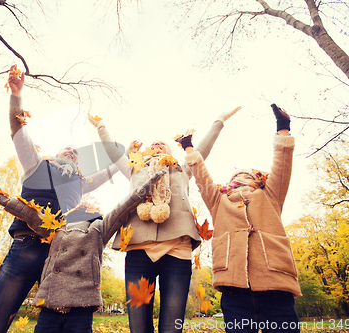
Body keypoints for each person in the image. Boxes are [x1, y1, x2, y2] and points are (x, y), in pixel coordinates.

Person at [0, 65, 119, 333]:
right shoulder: (35, 166)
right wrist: (16, 96)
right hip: (27, 245)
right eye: (67, 149)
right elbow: (18, 131)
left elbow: (110, 171)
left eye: (76, 152)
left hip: (62, 254)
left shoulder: (80, 182)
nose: (72, 151)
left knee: (54, 321)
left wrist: (127, 156)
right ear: (55, 154)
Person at [89, 106, 240, 333]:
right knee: (139, 327)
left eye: (162, 143)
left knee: (171, 327)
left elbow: (202, 150)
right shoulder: (134, 168)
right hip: (139, 250)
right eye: (153, 144)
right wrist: (101, 126)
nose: (157, 144)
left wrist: (219, 120)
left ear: (172, 150)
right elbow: (113, 152)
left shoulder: (182, 168)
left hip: (177, 250)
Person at [0, 170, 166, 333]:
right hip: (49, 303)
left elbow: (124, 206)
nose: (84, 206)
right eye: (81, 206)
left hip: (81, 305)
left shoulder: (100, 228)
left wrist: (148, 185)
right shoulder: (55, 228)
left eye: (89, 207)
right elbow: (27, 213)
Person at [178, 104, 302, 333]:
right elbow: (201, 175)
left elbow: (283, 164)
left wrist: (283, 128)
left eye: (248, 174)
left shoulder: (270, 195)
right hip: (235, 289)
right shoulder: (219, 201)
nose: (242, 176)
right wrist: (188, 147)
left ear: (259, 180)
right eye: (236, 175)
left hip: (275, 285)